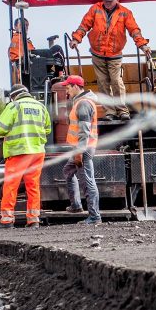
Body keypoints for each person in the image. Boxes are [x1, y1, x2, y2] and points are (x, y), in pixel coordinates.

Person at [69, 0, 152, 121]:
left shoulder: (125, 13)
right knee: (102, 83)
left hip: (115, 55)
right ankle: (109, 112)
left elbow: (134, 30)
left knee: (116, 81)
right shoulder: (95, 9)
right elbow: (84, 26)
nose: (107, 3)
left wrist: (143, 45)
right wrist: (76, 39)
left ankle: (122, 111)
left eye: (110, 1)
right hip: (97, 54)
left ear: (117, 0)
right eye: (105, 1)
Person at [0, 85, 51, 228]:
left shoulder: (14, 106)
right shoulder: (41, 107)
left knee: (11, 186)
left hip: (18, 151)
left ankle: (7, 220)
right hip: (37, 151)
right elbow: (48, 129)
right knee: (33, 186)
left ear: (14, 96)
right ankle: (33, 219)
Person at [57, 75, 101, 224]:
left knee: (88, 181)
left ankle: (95, 217)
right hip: (80, 147)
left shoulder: (83, 104)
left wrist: (79, 153)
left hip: (84, 148)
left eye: (68, 87)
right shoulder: (80, 102)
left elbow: (84, 131)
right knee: (68, 171)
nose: (67, 91)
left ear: (76, 86)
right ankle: (76, 205)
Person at [8, 18, 35, 85]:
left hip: (34, 65)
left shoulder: (26, 40)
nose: (25, 27)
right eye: (22, 25)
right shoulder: (15, 40)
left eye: (26, 25)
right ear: (15, 27)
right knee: (56, 49)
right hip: (26, 72)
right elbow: (14, 57)